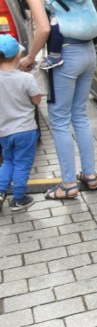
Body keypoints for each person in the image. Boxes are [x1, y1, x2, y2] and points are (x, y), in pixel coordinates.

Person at [14, 0, 97, 200]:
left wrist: (29, 57)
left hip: (64, 56)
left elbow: (43, 28)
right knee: (80, 115)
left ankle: (67, 184)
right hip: (88, 52)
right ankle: (90, 175)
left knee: (60, 120)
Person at [0, 34, 41, 212]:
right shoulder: (26, 79)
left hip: (4, 131)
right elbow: (37, 100)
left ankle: (0, 191)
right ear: (18, 55)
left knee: (8, 161)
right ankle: (18, 198)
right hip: (26, 130)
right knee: (22, 163)